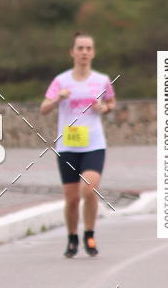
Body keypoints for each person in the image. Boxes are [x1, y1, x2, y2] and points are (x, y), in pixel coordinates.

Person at [40, 32, 116, 258]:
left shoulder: (102, 80)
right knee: (72, 199)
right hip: (67, 146)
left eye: (88, 48)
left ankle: (89, 234)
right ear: (72, 52)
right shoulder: (61, 81)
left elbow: (111, 102)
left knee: (89, 188)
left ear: (93, 53)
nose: (84, 52)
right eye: (80, 48)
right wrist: (57, 99)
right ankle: (73, 238)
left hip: (94, 144)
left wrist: (105, 108)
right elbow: (44, 108)